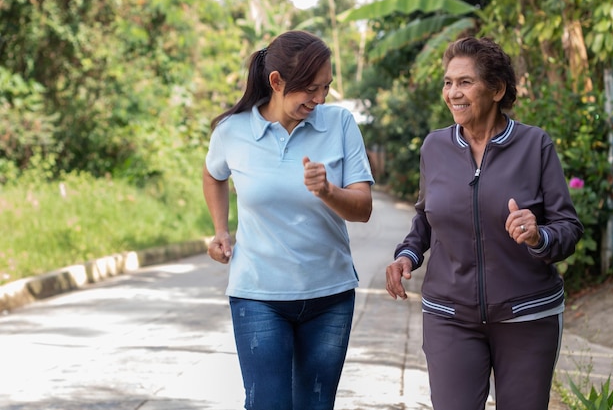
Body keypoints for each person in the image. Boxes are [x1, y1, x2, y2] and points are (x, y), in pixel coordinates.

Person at [385, 37, 583, 410]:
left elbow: (568, 228)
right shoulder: (434, 147)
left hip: (527, 314)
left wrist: (538, 235)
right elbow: (425, 219)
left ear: (497, 89)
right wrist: (406, 257)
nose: (453, 93)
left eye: (465, 82)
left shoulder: (535, 145)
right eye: (448, 82)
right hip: (449, 315)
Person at [202, 30, 374, 410]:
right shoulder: (233, 131)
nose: (320, 98)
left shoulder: (341, 124)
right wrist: (220, 230)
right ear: (276, 82)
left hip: (330, 294)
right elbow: (213, 173)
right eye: (310, 89)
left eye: (326, 87)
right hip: (258, 295)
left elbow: (362, 209)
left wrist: (328, 190)